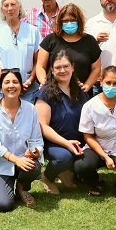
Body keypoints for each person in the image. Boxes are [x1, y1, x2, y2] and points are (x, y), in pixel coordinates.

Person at [75, 67, 116, 196]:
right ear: (101, 82)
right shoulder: (90, 106)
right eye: (108, 82)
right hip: (97, 148)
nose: (111, 86)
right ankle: (96, 184)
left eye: (115, 83)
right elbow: (88, 136)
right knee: (81, 166)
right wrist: (105, 157)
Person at [0, 69, 43, 211]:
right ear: (0, 87)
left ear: (21, 86)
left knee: (34, 166)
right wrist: (16, 160)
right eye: (7, 82)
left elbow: (37, 140)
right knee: (2, 205)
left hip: (24, 162)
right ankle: (5, 184)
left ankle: (22, 188)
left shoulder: (30, 109)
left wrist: (35, 151)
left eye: (15, 82)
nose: (11, 85)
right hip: (1, 164)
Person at [35, 50, 88, 194]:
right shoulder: (45, 93)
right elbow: (42, 126)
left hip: (78, 141)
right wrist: (66, 144)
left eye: (66, 66)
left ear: (73, 67)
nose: (62, 70)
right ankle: (47, 178)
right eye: (58, 67)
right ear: (52, 71)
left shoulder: (81, 92)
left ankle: (65, 171)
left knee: (89, 159)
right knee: (64, 157)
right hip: (52, 142)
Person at [0, 0, 42, 102]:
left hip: (27, 90)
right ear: (2, 10)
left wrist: (29, 81)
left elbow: (38, 62)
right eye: (6, 5)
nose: (10, 8)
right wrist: (9, 83)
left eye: (13, 4)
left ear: (20, 7)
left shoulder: (33, 31)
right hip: (1, 90)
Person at [35, 3, 102, 93]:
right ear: (60, 22)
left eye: (73, 20)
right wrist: (44, 82)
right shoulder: (50, 40)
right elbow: (40, 66)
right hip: (54, 93)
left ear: (79, 21)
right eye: (65, 21)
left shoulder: (90, 41)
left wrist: (87, 86)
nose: (69, 23)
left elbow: (96, 69)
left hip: (81, 94)